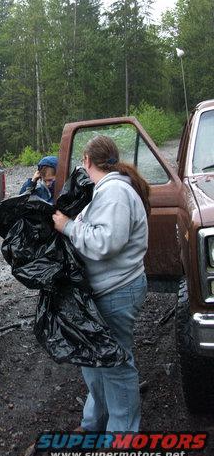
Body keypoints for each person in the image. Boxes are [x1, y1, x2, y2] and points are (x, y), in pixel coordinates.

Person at [52, 135, 149, 432]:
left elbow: (107, 243)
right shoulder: (101, 190)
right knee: (93, 360)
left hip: (117, 289)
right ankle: (94, 421)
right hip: (100, 290)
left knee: (116, 363)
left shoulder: (115, 192)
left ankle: (122, 434)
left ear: (86, 161)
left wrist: (67, 226)